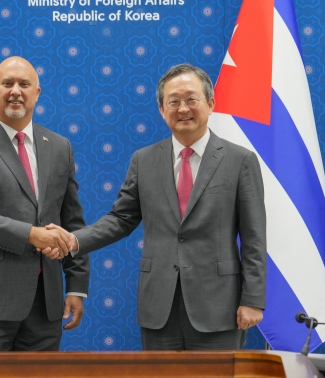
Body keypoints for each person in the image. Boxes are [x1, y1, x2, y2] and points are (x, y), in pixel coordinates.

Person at [49, 63, 266, 350]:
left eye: (191, 99)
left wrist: (252, 300)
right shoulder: (144, 160)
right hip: (159, 308)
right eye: (173, 102)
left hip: (219, 306)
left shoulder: (240, 161)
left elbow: (254, 238)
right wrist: (74, 240)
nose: (183, 108)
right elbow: (120, 219)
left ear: (211, 103)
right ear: (162, 110)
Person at [0, 56, 89, 351]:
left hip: (45, 305)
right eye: (7, 83)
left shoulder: (60, 147)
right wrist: (32, 235)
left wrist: (76, 285)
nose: (15, 91)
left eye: (24, 84)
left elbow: (72, 222)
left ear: (37, 93)